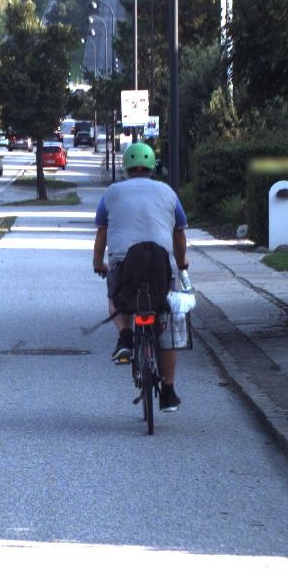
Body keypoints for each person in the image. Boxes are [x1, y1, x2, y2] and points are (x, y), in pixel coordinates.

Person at [92, 141, 189, 411]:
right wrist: (181, 263)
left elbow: (102, 232)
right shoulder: (168, 192)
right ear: (152, 167)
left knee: (116, 296)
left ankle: (125, 336)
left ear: (126, 167)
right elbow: (180, 235)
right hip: (161, 265)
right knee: (166, 326)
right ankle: (168, 391)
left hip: (125, 263)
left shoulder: (112, 193)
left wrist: (98, 263)